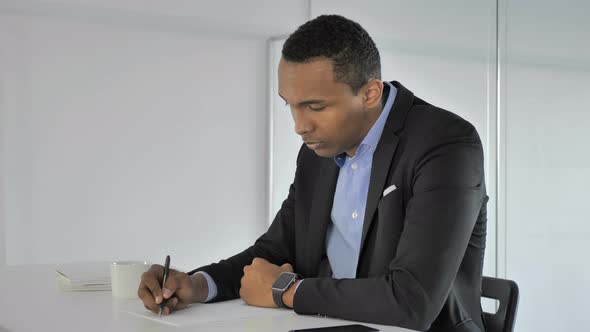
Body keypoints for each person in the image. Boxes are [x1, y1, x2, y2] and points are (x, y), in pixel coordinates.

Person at [138, 14, 488, 332]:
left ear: (370, 93)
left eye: (315, 107)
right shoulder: (321, 147)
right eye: (290, 104)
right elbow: (275, 251)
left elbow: (413, 301)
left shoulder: (446, 144)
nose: (299, 126)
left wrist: (286, 291)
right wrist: (198, 285)